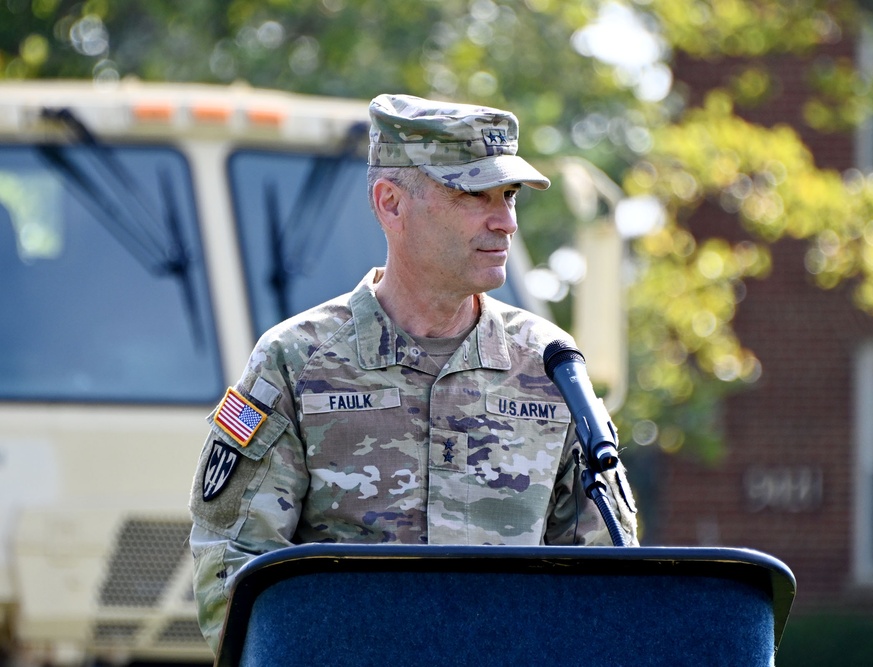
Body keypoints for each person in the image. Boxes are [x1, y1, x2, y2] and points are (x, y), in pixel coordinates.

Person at [188, 93, 639, 653]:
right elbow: (231, 568)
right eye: (474, 194)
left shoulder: (548, 362)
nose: (505, 222)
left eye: (509, 196)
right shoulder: (296, 361)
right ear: (391, 204)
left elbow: (610, 578)